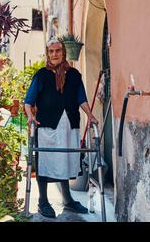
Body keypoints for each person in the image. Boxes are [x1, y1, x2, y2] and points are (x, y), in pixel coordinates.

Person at [24, 37, 98, 218]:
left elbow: (81, 98)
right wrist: (30, 117)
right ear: (48, 54)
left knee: (65, 160)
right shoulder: (41, 74)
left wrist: (90, 115)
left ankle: (68, 200)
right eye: (51, 51)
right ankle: (43, 201)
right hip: (47, 125)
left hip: (69, 124)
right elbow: (28, 100)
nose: (54, 54)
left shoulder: (74, 74)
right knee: (45, 162)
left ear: (63, 53)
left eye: (58, 51)